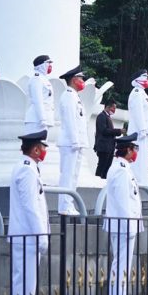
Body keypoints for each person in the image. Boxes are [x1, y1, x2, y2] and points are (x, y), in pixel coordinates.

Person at [8, 130, 50, 295]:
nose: (45, 151)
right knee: (25, 287)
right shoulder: (27, 170)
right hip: (27, 236)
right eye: (43, 147)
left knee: (25, 285)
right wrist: (41, 236)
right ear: (36, 150)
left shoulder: (28, 168)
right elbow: (31, 207)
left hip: (27, 236)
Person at [104, 133, 143, 295]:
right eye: (134, 149)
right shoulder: (121, 171)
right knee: (121, 264)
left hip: (124, 225)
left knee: (122, 264)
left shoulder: (123, 168)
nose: (136, 152)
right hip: (123, 226)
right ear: (127, 150)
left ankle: (119, 293)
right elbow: (122, 202)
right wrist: (129, 226)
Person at [57, 66, 88, 215]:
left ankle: (69, 203)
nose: (83, 81)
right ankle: (64, 205)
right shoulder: (68, 96)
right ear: (74, 80)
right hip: (70, 142)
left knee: (74, 175)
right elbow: (70, 121)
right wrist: (75, 140)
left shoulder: (74, 96)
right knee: (67, 175)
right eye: (81, 78)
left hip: (76, 142)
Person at [127, 70, 148, 185]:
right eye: (143, 76)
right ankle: (138, 182)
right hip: (139, 132)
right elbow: (138, 112)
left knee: (144, 160)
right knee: (138, 160)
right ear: (136, 79)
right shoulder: (137, 92)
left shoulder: (142, 93)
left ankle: (143, 183)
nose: (146, 79)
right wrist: (142, 129)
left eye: (146, 76)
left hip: (145, 131)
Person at [24, 55, 55, 135]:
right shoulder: (36, 79)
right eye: (48, 63)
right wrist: (42, 119)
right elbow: (38, 100)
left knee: (42, 146)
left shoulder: (43, 79)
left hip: (41, 120)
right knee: (34, 146)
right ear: (42, 65)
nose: (50, 65)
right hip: (36, 119)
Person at [94, 99, 122, 179]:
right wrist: (118, 131)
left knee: (107, 166)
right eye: (113, 108)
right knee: (102, 165)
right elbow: (104, 131)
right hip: (103, 147)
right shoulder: (101, 116)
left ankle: (103, 181)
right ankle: (97, 181)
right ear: (108, 107)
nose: (114, 110)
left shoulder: (107, 117)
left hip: (109, 147)